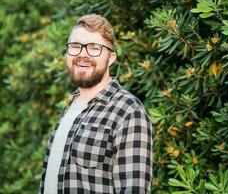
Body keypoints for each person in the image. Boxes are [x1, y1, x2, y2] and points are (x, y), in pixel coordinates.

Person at [39, 14, 152, 194]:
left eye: (94, 48)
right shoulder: (72, 106)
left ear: (111, 57)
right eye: (75, 46)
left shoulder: (128, 111)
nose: (83, 54)